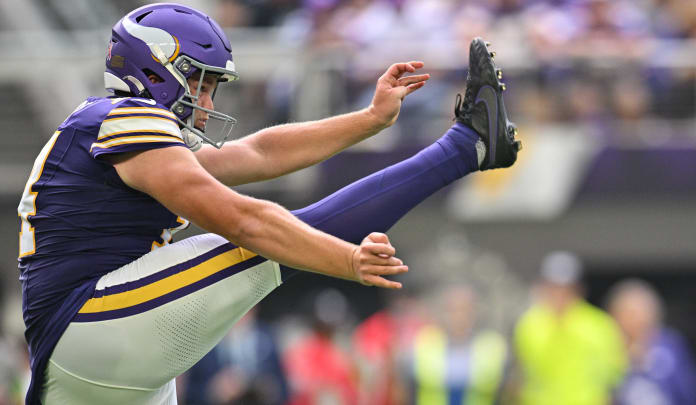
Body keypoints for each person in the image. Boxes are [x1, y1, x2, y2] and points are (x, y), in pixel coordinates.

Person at [16, 3, 520, 404]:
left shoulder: (110, 132)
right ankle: (464, 148)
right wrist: (342, 258)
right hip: (89, 324)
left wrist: (369, 119)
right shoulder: (125, 119)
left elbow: (257, 151)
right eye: (199, 82)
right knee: (255, 247)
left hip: (84, 364)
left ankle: (466, 147)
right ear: (155, 68)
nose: (208, 103)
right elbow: (243, 221)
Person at [510, 251, 627, 405]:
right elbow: (519, 376)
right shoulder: (528, 325)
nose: (559, 294)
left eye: (565, 288)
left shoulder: (599, 324)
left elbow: (615, 375)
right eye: (553, 287)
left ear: (577, 289)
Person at [607, 279, 696, 405]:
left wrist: (653, 365)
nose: (632, 321)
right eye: (626, 314)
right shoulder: (606, 345)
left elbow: (693, 390)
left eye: (637, 314)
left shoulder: (669, 345)